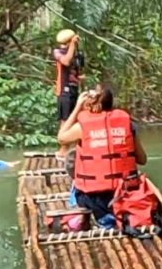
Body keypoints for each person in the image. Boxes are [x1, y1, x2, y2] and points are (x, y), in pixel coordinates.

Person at [57, 86, 146, 227]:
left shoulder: (83, 126)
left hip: (95, 200)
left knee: (74, 162)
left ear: (93, 104)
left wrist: (77, 108)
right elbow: (142, 160)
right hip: (124, 194)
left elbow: (61, 138)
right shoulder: (127, 124)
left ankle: (81, 215)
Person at [53, 29, 84, 160]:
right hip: (64, 90)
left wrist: (80, 78)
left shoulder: (77, 55)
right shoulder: (58, 52)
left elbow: (79, 70)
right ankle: (63, 150)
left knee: (77, 118)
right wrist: (72, 45)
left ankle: (76, 148)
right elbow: (65, 61)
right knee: (65, 120)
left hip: (74, 89)